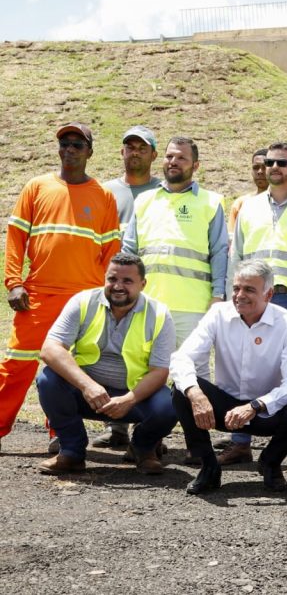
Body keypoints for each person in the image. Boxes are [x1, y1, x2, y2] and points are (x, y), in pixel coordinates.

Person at [0, 122, 120, 451]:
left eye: (77, 145)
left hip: (85, 300)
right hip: (38, 296)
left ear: (89, 152)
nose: (69, 150)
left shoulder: (103, 196)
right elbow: (16, 238)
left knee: (69, 370)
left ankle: (60, 434)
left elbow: (111, 252)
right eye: (64, 143)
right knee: (17, 365)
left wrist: (107, 296)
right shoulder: (36, 187)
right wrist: (14, 282)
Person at [170, 260, 287, 495]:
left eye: (249, 290)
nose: (239, 295)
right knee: (181, 390)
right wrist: (196, 394)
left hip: (264, 410)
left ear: (269, 294)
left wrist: (255, 406)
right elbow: (181, 357)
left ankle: (270, 462)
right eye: (236, 288)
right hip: (225, 407)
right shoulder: (218, 314)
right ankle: (208, 466)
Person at [35, 253, 177, 475]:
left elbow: (159, 372)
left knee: (170, 404)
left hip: (134, 397)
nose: (118, 286)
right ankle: (71, 452)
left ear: (143, 284)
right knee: (48, 380)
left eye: (127, 281)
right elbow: (50, 349)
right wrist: (87, 386)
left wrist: (129, 399)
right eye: (112, 279)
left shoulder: (159, 314)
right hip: (88, 395)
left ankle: (143, 448)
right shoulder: (83, 302)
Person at [230, 141, 287, 470]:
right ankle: (240, 442)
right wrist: (234, 299)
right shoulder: (248, 207)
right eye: (269, 162)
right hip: (251, 299)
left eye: (282, 163)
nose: (274, 167)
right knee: (243, 366)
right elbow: (237, 256)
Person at [122, 137, 228, 380]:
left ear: (196, 165)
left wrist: (218, 295)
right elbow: (129, 250)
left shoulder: (211, 202)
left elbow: (220, 252)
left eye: (182, 158)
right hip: (147, 302)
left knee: (194, 371)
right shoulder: (144, 201)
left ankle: (195, 408)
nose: (174, 162)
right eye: (170, 156)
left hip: (192, 306)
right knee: (140, 368)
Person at [97, 125, 162, 448]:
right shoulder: (104, 192)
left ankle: (150, 433)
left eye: (142, 147)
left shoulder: (164, 191)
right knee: (115, 354)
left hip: (153, 287)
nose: (135, 152)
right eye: (130, 146)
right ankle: (117, 427)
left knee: (146, 357)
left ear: (153, 154)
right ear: (121, 151)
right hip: (114, 289)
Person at [227, 148, 269, 242]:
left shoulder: (282, 202)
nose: (260, 172)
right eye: (255, 167)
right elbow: (232, 240)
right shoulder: (241, 203)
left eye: (264, 167)